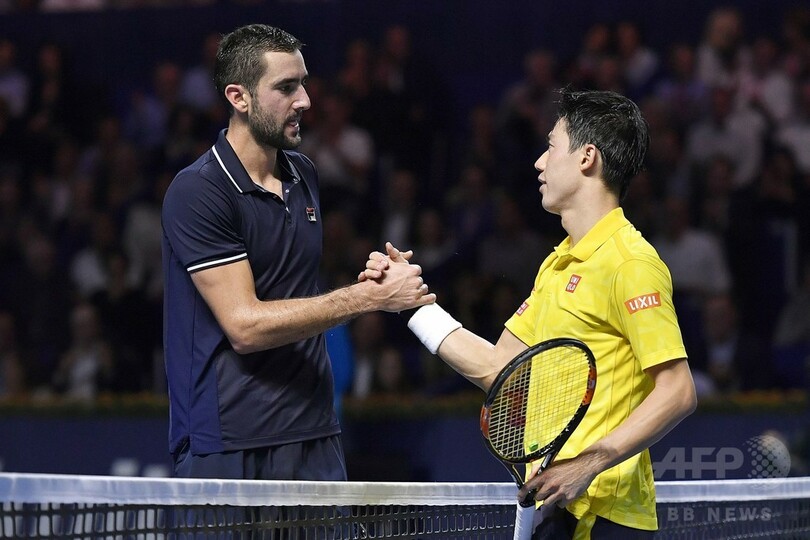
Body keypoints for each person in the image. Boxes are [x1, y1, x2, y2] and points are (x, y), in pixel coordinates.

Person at [363, 89, 696, 538]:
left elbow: (678, 391)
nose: (539, 163)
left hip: (605, 515)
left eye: (551, 147)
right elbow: (499, 370)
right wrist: (413, 305)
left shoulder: (631, 263)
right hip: (553, 506)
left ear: (587, 157)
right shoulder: (557, 264)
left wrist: (589, 463)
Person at [161, 24, 434, 482]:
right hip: (227, 443)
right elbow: (245, 326)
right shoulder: (199, 191)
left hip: (315, 435)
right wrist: (367, 298)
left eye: (303, 83)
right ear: (239, 97)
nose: (305, 100)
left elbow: (293, 288)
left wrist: (374, 279)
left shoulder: (303, 173)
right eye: (286, 87)